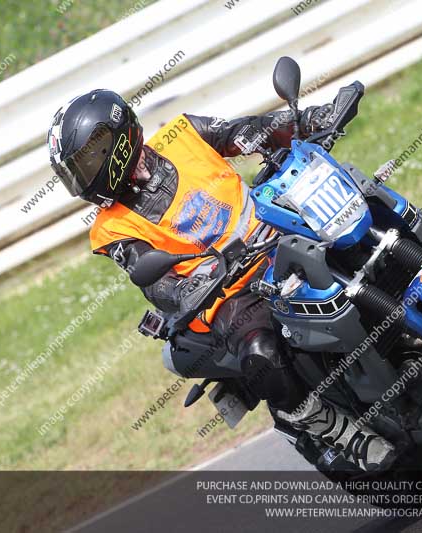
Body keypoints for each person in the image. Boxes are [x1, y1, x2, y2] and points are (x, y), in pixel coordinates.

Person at [47, 89, 396, 471]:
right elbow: (151, 280)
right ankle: (335, 430)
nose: (81, 179)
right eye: (74, 171)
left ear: (116, 140)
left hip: (281, 231)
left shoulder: (183, 135)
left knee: (370, 221)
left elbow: (251, 130)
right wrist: (188, 285)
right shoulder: (110, 228)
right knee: (260, 351)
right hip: (227, 292)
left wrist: (312, 119)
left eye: (84, 163)